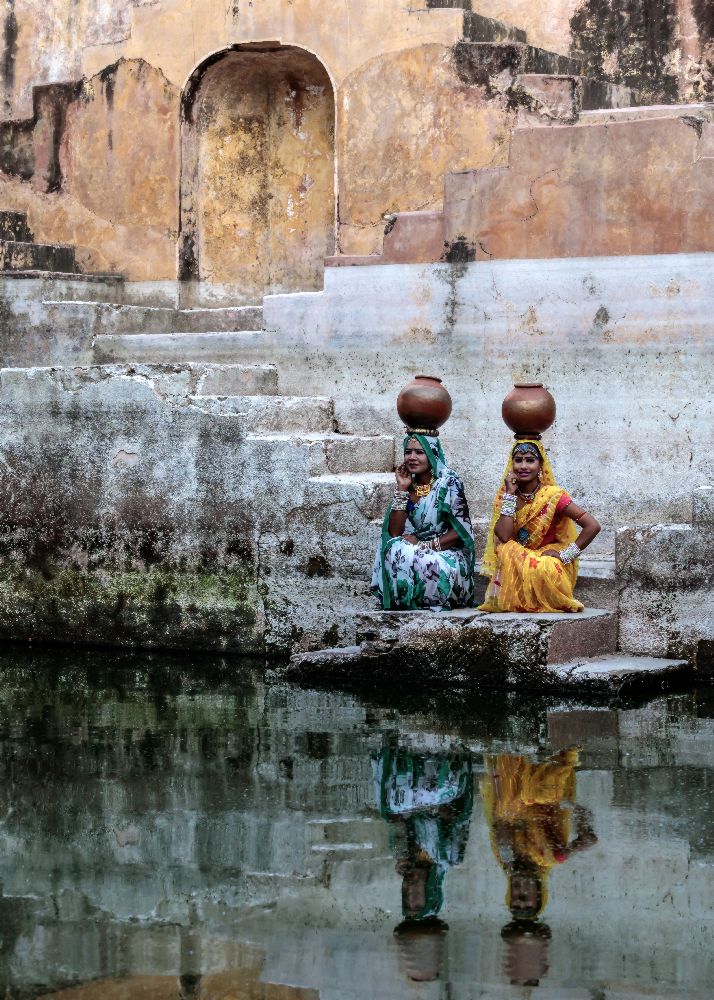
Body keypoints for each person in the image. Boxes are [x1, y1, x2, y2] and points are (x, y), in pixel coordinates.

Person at [480, 439, 601, 613]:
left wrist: (565, 556)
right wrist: (510, 494)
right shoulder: (508, 495)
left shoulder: (553, 496)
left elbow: (592, 526)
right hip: (518, 558)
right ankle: (520, 601)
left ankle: (540, 601)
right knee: (505, 549)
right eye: (518, 460)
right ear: (511, 464)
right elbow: (504, 536)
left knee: (546, 565)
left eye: (530, 460)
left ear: (540, 465)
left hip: (546, 560)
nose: (523, 466)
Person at [371, 432, 475, 610]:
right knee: (392, 546)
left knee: (417, 558)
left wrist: (424, 545)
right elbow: (394, 532)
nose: (412, 457)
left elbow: (460, 532)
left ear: (432, 453)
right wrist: (402, 488)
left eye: (419, 452)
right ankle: (406, 598)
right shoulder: (408, 486)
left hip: (446, 553)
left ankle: (431, 596)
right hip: (416, 550)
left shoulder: (448, 483)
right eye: (408, 452)